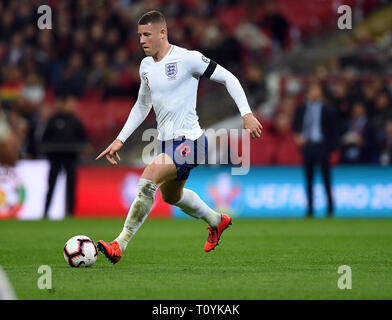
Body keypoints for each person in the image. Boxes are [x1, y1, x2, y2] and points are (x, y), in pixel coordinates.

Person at [96, 10, 262, 264]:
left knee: (148, 178)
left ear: (163, 33)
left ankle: (119, 244)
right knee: (171, 196)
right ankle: (217, 221)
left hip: (192, 142)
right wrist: (120, 139)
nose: (141, 40)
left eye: (147, 34)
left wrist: (246, 114)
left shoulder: (188, 59)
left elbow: (228, 77)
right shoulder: (146, 66)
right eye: (139, 35)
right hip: (167, 143)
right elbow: (142, 105)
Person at [293, 83, 338, 218]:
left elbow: (334, 130)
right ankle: (310, 209)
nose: (313, 92)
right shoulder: (301, 108)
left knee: (326, 178)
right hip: (308, 146)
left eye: (316, 89)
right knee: (309, 179)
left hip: (322, 146)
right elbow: (295, 124)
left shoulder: (328, 109)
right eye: (311, 89)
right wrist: (298, 136)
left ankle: (330, 209)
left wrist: (329, 149)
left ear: (321, 92)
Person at [41, 96, 88, 218]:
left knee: (71, 186)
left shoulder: (76, 121)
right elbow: (45, 139)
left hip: (70, 158)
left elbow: (83, 140)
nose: (72, 106)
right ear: (63, 104)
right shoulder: (53, 120)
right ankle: (46, 211)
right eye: (70, 103)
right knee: (52, 184)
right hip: (55, 158)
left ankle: (70, 212)